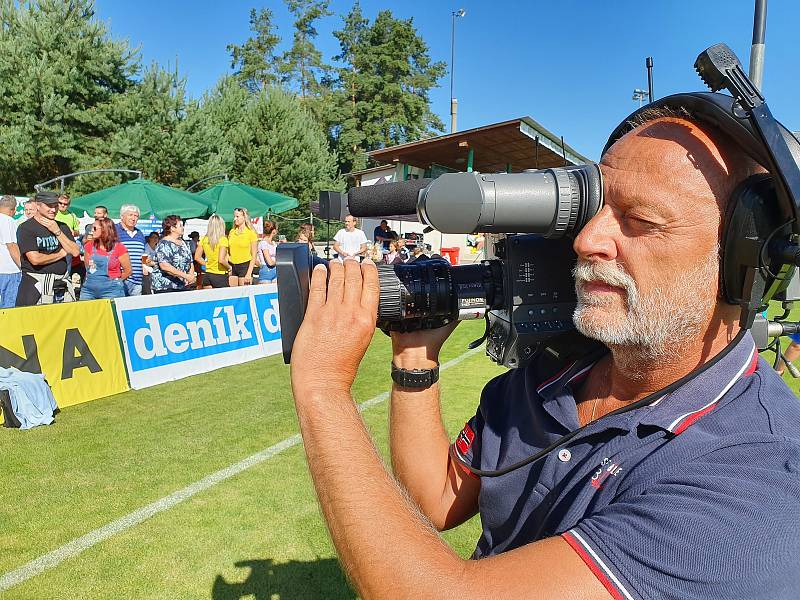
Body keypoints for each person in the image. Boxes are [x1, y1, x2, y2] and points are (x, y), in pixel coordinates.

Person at [288, 110, 800, 598]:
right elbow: (437, 498)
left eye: (639, 220)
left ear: (743, 257)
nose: (589, 240)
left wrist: (323, 392)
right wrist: (414, 359)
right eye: (596, 208)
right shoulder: (557, 367)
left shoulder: (758, 479)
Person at [15, 191, 80, 306]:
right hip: (36, 286)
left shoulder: (62, 227)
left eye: (55, 206)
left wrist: (57, 232)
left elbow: (75, 251)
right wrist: (60, 254)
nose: (53, 210)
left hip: (61, 286)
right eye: (49, 206)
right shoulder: (26, 228)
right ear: (38, 206)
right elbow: (35, 259)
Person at [80, 217, 130, 300]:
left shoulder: (119, 248)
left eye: (94, 228)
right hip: (89, 290)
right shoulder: (89, 246)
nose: (92, 230)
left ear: (105, 229)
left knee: (110, 312)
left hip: (111, 291)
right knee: (85, 312)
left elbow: (128, 271)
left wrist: (115, 281)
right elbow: (87, 267)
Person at [150, 215, 195, 293]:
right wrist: (186, 276)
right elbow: (165, 266)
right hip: (166, 287)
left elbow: (190, 261)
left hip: (182, 285)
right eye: (180, 226)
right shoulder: (163, 244)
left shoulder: (184, 243)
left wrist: (191, 276)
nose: (183, 227)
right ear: (172, 228)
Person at [115, 205, 146, 296]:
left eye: (136, 216)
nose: (133, 218)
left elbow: (143, 254)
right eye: (130, 215)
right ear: (122, 216)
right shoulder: (114, 230)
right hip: (121, 280)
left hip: (137, 281)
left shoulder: (140, 234)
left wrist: (145, 264)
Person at [194, 214, 230, 289]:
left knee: (209, 299)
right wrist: (230, 267)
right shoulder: (223, 239)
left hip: (208, 274)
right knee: (224, 299)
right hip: (220, 274)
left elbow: (197, 257)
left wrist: (207, 264)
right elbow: (221, 260)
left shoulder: (204, 239)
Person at [225, 207, 258, 286]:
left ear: (244, 217)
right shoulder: (232, 232)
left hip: (245, 266)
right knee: (233, 294)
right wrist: (228, 260)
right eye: (234, 217)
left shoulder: (251, 233)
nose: (234, 219)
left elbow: (254, 255)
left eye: (237, 216)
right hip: (232, 265)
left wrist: (249, 273)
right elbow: (226, 249)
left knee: (244, 294)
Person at [0, 195, 21, 308]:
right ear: (13, 210)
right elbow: (11, 245)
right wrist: (22, 266)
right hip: (9, 270)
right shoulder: (8, 221)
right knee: (9, 308)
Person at [256, 220, 278, 284]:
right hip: (266, 272)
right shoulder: (263, 243)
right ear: (274, 231)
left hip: (275, 271)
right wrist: (280, 261)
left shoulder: (273, 243)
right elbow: (270, 262)